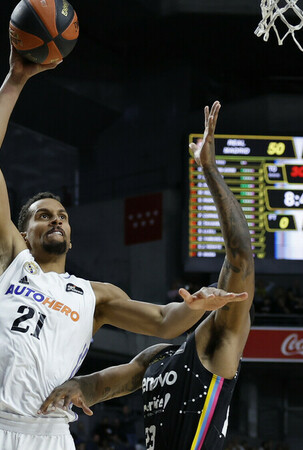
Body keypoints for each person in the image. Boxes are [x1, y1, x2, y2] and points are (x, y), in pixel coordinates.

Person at [0, 51, 247, 450]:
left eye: (62, 215)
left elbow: (164, 321)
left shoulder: (95, 295)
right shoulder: (8, 261)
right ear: (22, 233)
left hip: (46, 434)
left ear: (71, 238)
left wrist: (196, 306)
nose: (55, 219)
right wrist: (16, 78)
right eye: (42, 216)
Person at [41, 102, 255, 450]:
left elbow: (240, 255)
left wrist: (210, 170)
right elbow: (103, 385)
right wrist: (77, 385)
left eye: (225, 287)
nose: (218, 289)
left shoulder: (220, 346)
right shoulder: (158, 357)